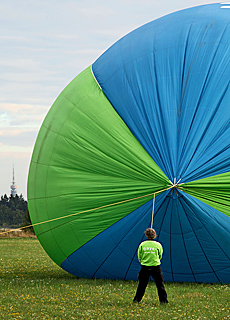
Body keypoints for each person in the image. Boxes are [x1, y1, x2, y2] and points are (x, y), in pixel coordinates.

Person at [133, 228, 168, 304]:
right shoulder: (158, 245)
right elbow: (160, 255)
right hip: (155, 267)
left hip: (145, 267)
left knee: (142, 285)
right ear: (154, 235)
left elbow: (139, 256)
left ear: (146, 235)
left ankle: (136, 301)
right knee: (160, 285)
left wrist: (143, 261)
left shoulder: (142, 244)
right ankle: (164, 301)